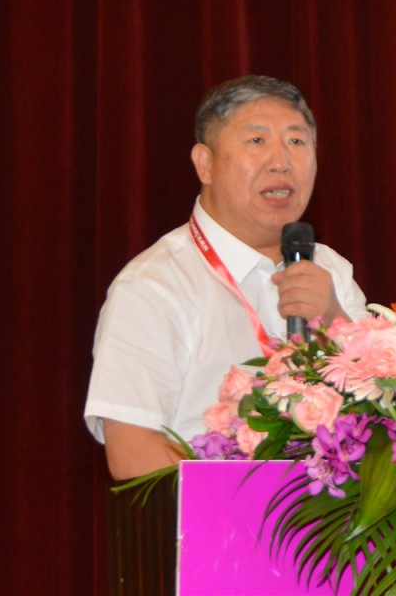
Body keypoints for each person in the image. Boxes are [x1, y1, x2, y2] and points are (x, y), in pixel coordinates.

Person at [84, 75, 369, 480]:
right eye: (256, 140)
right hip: (215, 518)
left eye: (296, 141)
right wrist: (243, 504)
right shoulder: (154, 287)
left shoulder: (331, 270)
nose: (281, 161)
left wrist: (335, 320)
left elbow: (382, 420)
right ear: (205, 164)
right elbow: (133, 452)